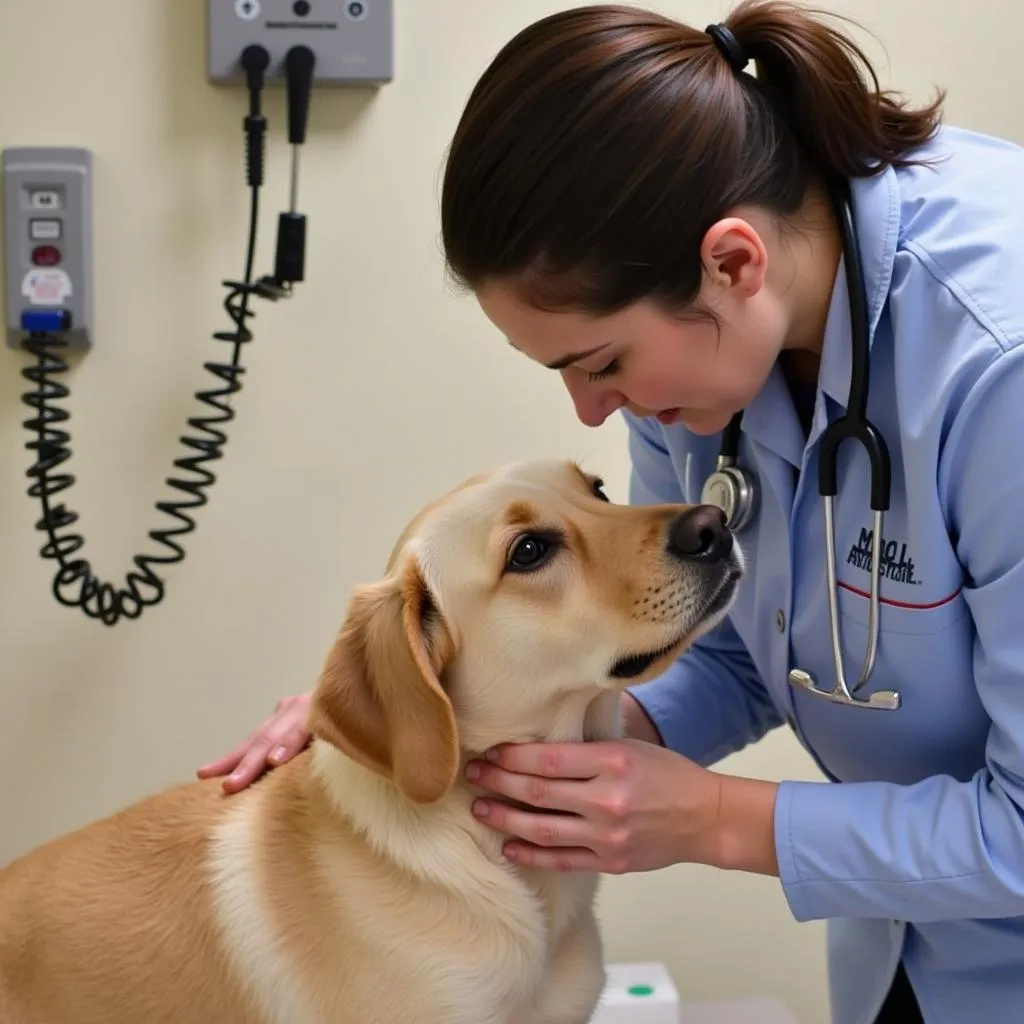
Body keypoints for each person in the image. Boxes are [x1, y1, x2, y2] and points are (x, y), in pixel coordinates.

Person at [196, 2, 1024, 1021]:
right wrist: (457, 728)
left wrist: (717, 821)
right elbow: (733, 644)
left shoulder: (999, 364)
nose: (591, 410)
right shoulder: (713, 361)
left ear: (731, 263)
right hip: (910, 951)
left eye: (601, 363)